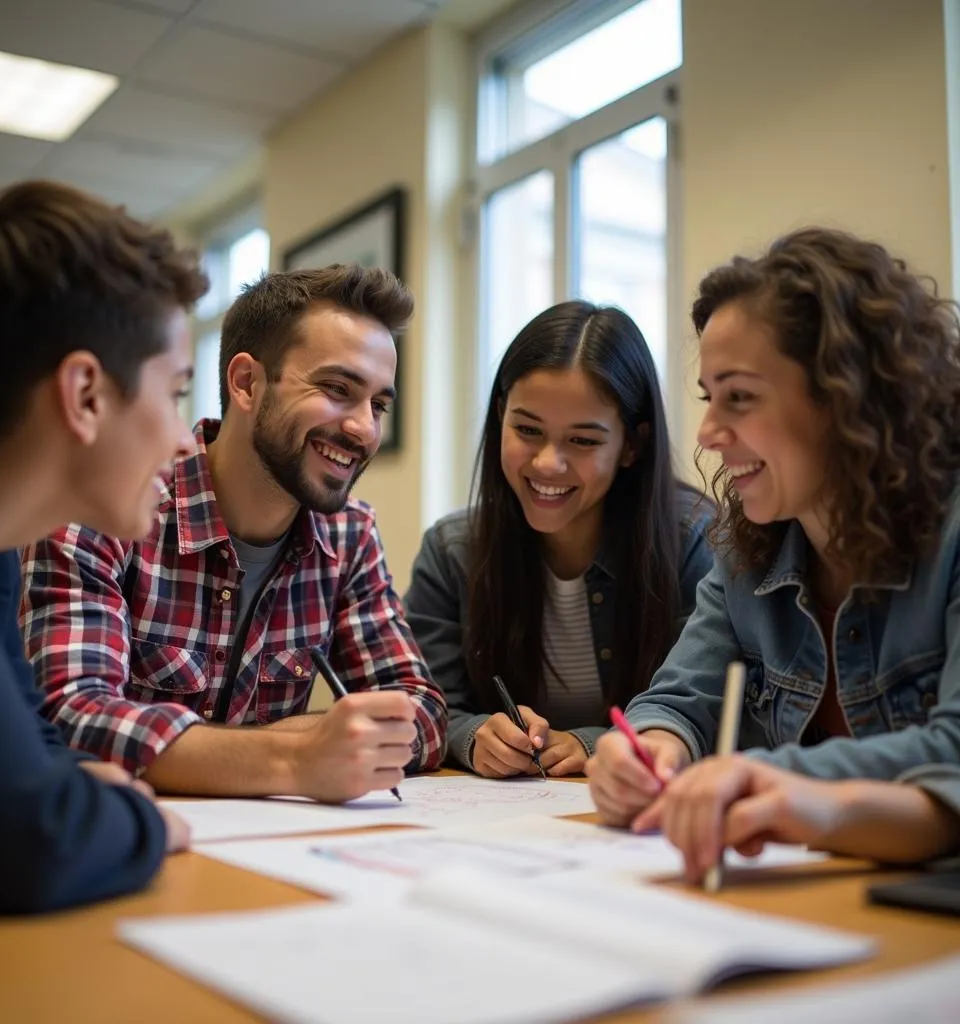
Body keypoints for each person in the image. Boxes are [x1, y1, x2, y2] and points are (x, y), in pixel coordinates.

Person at [587, 227, 960, 863]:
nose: (706, 434)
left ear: (846, 396)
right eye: (710, 399)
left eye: (739, 398)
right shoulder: (743, 554)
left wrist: (776, 782)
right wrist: (647, 749)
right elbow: (680, 701)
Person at [21, 265, 448, 803]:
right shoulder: (109, 505)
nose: (365, 428)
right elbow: (69, 717)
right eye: (338, 389)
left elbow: (422, 714)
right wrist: (298, 755)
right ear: (247, 383)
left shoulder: (350, 534)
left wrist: (249, 752)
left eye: (379, 404)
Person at [0, 180, 204, 912]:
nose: (184, 439)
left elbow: (33, 749)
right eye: (176, 391)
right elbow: (29, 838)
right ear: (86, 393)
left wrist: (84, 789)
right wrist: (137, 819)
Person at [405, 301, 713, 778]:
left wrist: (591, 743)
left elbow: (706, 707)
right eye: (527, 430)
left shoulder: (693, 539)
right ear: (501, 418)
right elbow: (425, 702)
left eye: (584, 441)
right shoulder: (452, 551)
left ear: (632, 444)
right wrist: (473, 735)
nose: (548, 463)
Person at [632, 757, 960, 879]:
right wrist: (659, 744)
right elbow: (682, 693)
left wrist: (758, 769)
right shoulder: (736, 600)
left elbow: (950, 746)